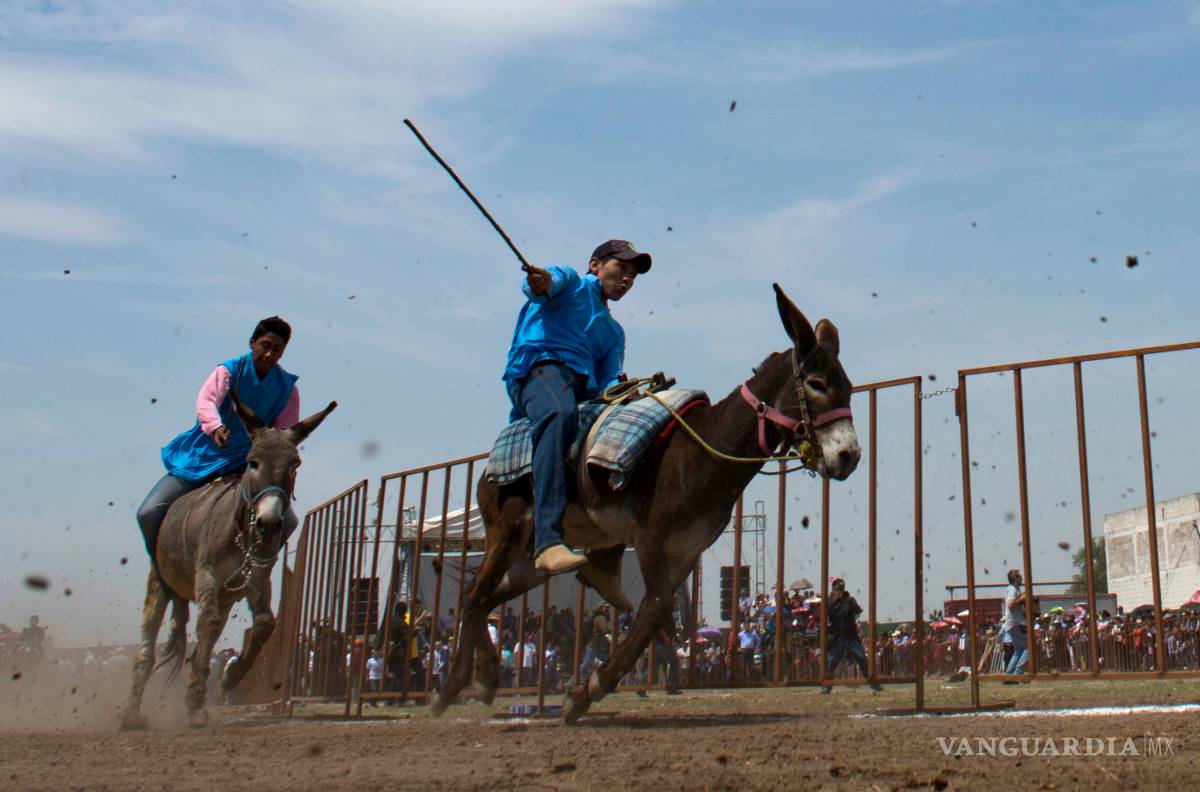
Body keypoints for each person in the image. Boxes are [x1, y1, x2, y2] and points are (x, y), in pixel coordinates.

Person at [502, 240, 652, 578]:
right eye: (621, 268)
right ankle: (547, 541)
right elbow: (540, 285)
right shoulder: (569, 281)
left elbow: (608, 382)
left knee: (633, 433)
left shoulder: (614, 333)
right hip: (539, 369)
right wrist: (540, 282)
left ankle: (605, 564)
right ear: (596, 265)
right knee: (559, 413)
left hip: (583, 389)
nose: (627, 279)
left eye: (633, 275)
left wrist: (627, 393)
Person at [136, 317, 301, 592]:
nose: (270, 354)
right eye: (265, 346)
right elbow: (207, 401)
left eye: (277, 350)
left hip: (243, 467)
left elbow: (283, 434)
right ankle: (163, 573)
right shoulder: (229, 372)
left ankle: (254, 574)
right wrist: (215, 426)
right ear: (252, 343)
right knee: (149, 512)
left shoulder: (287, 390)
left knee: (289, 521)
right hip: (201, 459)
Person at [822, 577, 882, 693]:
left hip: (850, 635)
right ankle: (826, 686)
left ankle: (873, 683)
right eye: (837, 587)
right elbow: (826, 613)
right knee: (831, 661)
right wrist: (834, 601)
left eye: (841, 587)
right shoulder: (830, 602)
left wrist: (850, 617)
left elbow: (857, 612)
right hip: (837, 636)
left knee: (862, 658)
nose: (839, 589)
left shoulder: (850, 600)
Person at [1003, 568, 1037, 682]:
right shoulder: (1012, 590)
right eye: (1020, 576)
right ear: (1015, 579)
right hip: (1015, 623)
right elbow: (1011, 604)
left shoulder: (1013, 589)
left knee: (1018, 650)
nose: (1022, 578)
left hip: (1013, 623)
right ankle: (1019, 672)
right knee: (1029, 647)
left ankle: (1009, 674)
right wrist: (1022, 598)